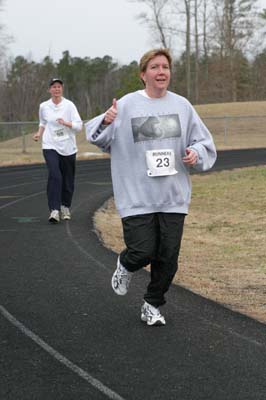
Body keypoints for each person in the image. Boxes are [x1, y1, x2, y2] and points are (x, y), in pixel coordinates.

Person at [85, 49, 217, 326]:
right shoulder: (127, 105)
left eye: (165, 67)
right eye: (155, 67)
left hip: (172, 195)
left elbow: (204, 143)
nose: (161, 72)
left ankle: (152, 304)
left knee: (168, 258)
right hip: (137, 194)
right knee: (142, 251)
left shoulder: (182, 106)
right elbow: (96, 136)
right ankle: (125, 265)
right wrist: (107, 120)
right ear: (142, 74)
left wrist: (195, 153)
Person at [33, 78, 83, 223]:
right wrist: (39, 133)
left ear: (62, 89)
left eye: (59, 87)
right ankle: (54, 210)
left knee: (68, 179)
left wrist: (66, 123)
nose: (56, 89)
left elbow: (79, 126)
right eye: (54, 87)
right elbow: (43, 122)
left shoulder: (69, 106)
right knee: (55, 176)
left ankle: (65, 207)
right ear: (49, 90)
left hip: (68, 147)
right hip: (50, 145)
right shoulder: (44, 106)